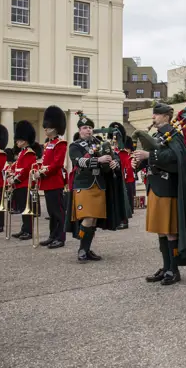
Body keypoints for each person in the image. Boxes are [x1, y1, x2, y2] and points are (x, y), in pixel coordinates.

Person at [134, 102, 186, 284]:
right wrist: (140, 162)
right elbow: (155, 156)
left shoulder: (174, 135)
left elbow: (175, 157)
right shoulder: (159, 135)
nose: (153, 117)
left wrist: (149, 156)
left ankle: (173, 270)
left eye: (156, 114)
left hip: (168, 188)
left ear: (166, 116)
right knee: (161, 231)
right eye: (153, 114)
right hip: (156, 187)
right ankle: (166, 267)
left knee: (170, 230)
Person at [66, 112, 131, 262]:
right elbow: (79, 162)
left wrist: (115, 163)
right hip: (83, 185)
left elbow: (113, 156)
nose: (88, 130)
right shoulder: (74, 145)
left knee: (94, 220)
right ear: (79, 130)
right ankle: (82, 249)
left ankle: (87, 249)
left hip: (100, 185)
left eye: (90, 127)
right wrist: (98, 160)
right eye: (84, 127)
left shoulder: (99, 142)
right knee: (88, 218)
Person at [34, 106, 68, 248]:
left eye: (47, 127)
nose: (45, 129)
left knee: (58, 212)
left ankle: (60, 237)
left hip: (55, 181)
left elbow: (56, 164)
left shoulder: (61, 143)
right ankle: (52, 235)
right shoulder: (48, 144)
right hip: (47, 182)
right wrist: (37, 170)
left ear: (55, 127)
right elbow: (44, 162)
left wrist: (42, 172)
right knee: (51, 211)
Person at [10, 121, 39, 241]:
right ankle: (24, 229)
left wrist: (16, 179)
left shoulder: (29, 152)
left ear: (24, 140)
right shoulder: (22, 152)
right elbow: (16, 167)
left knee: (27, 208)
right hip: (19, 184)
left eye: (18, 140)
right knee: (23, 208)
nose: (16, 142)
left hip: (24, 184)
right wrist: (10, 174)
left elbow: (27, 169)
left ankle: (29, 231)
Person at [118, 137, 137, 230]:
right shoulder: (121, 154)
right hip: (124, 179)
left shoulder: (131, 155)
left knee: (129, 197)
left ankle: (127, 215)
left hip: (129, 179)